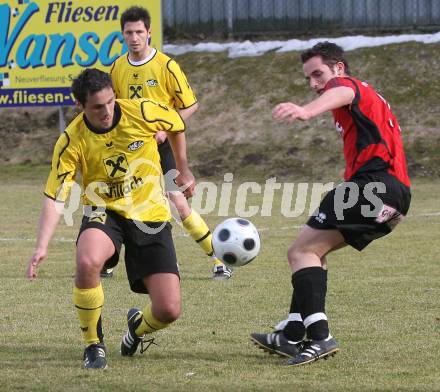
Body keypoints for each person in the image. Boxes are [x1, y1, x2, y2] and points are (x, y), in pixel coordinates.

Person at [250, 42, 411, 366]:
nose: (314, 83)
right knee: (312, 252)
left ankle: (320, 336)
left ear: (338, 67)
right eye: (308, 78)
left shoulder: (347, 85)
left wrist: (307, 110)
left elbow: (341, 92)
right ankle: (292, 333)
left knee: (300, 252)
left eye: (318, 74)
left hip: (375, 187)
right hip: (394, 196)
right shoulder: (368, 99)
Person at [26, 68, 196, 369]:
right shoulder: (72, 140)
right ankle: (93, 344)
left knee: (168, 310)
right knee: (88, 260)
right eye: (97, 107)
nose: (106, 111)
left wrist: (182, 168)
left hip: (150, 213)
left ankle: (136, 330)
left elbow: (177, 123)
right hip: (105, 211)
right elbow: (56, 196)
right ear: (80, 106)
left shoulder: (141, 111)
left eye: (110, 102)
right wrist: (42, 246)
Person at [105, 5, 232, 280]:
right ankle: (109, 259)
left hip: (160, 147)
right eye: (129, 32)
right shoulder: (116, 68)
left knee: (177, 201)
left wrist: (165, 124)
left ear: (149, 33)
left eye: (140, 31)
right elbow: (111, 107)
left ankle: (219, 260)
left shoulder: (166, 66)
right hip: (127, 150)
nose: (135, 37)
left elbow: (191, 106)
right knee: (118, 203)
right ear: (122, 35)